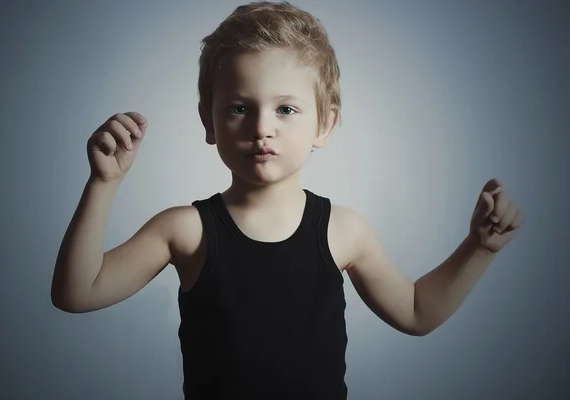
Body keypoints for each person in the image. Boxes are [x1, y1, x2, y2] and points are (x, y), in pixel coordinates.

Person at [50, 1, 523, 399]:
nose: (261, 128)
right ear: (208, 122)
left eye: (285, 109)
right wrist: (103, 183)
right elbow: (77, 292)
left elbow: (417, 312)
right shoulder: (184, 229)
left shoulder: (345, 230)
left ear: (325, 124)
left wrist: (478, 249)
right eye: (239, 108)